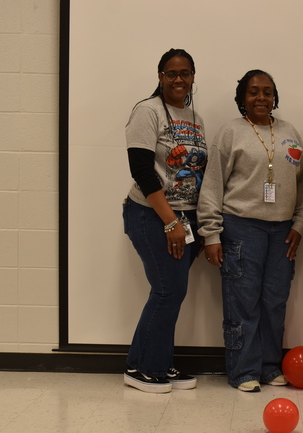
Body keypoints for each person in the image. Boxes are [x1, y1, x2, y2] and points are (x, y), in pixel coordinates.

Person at [197, 69, 303, 393]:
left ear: (275, 97)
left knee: (275, 302)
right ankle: (243, 370)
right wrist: (211, 234)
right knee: (242, 302)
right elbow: (213, 185)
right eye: (253, 92)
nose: (261, 98)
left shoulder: (290, 132)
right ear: (242, 98)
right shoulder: (230, 133)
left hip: (283, 232)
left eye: (267, 92)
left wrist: (301, 224)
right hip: (241, 228)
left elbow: (302, 186)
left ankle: (270, 366)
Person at [122, 49, 207, 393]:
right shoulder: (147, 111)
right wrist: (170, 221)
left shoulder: (195, 117)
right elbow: (141, 169)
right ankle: (145, 368)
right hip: (152, 214)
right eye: (171, 73)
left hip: (185, 217)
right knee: (168, 289)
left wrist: (195, 224)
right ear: (160, 76)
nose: (178, 79)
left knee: (171, 291)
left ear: (192, 77)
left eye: (185, 73)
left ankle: (149, 361)